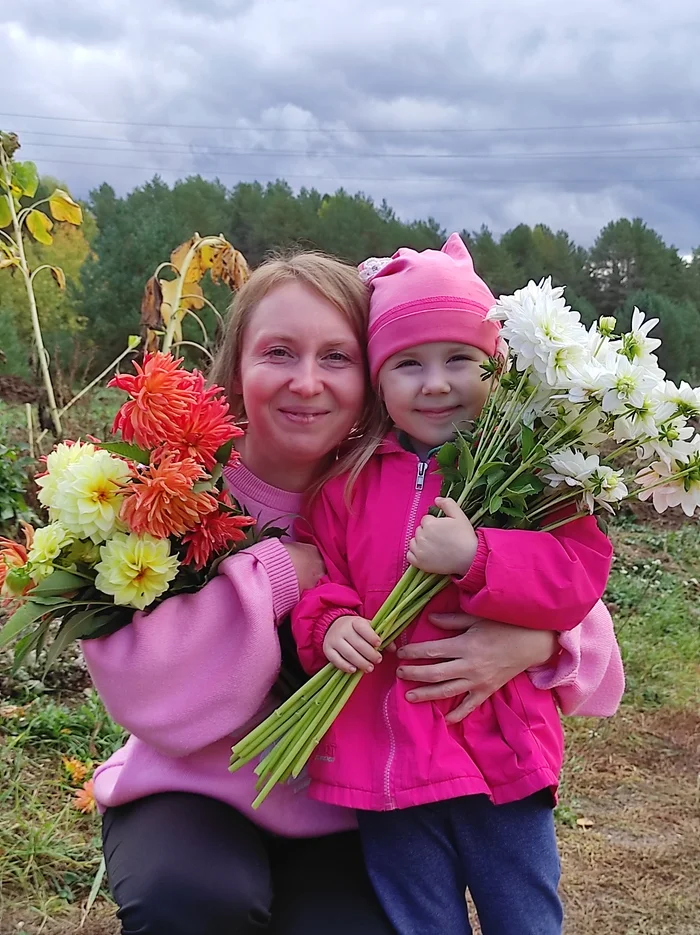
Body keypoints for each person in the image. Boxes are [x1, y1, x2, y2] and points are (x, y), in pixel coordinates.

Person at [81, 249, 623, 935]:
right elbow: (139, 685)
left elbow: (582, 607)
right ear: (236, 364)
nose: (307, 382)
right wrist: (283, 573)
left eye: (335, 356)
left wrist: (537, 637)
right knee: (194, 899)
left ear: (367, 375)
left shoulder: (416, 484)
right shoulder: (177, 489)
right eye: (279, 351)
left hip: (349, 796)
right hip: (193, 791)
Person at [291, 235, 619, 935]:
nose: (435, 382)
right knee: (418, 921)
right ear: (378, 380)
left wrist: (478, 555)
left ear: (498, 368)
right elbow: (320, 575)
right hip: (384, 757)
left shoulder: (531, 476)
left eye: (460, 360)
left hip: (496, 754)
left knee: (524, 918)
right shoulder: (346, 484)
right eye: (408, 363)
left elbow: (576, 576)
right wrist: (331, 625)